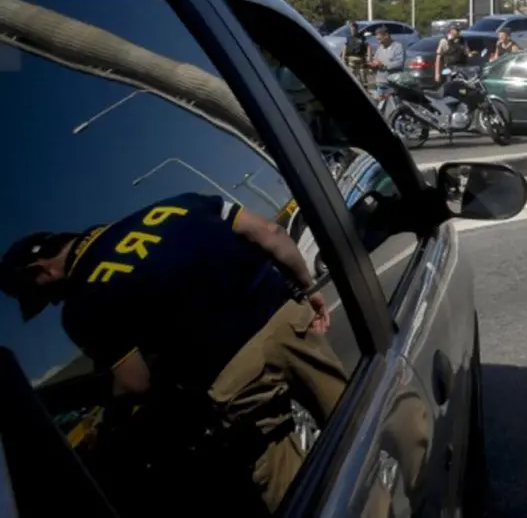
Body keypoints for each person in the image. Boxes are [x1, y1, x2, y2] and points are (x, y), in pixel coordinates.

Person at [0, 192, 347, 513]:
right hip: (287, 320)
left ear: (39, 271)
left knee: (300, 490)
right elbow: (270, 232)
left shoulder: (80, 306)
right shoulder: (177, 205)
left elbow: (135, 382)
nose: (52, 303)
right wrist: (305, 285)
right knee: (357, 419)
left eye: (40, 296)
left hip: (233, 374)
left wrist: (109, 423)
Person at [368, 26, 406, 102]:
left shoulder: (397, 46)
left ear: (386, 35)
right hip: (380, 84)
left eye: (379, 39)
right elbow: (376, 59)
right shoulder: (380, 47)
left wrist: (384, 65)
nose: (378, 41)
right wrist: (372, 64)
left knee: (392, 108)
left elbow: (400, 63)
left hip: (392, 86)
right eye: (377, 39)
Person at [340, 20, 370, 88]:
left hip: (361, 59)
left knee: (363, 76)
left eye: (354, 29)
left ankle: (365, 90)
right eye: (351, 29)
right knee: (352, 76)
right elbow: (345, 47)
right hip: (351, 59)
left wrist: (369, 57)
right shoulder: (349, 38)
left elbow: (368, 47)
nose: (352, 31)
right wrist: (343, 58)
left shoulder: (362, 37)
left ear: (357, 29)